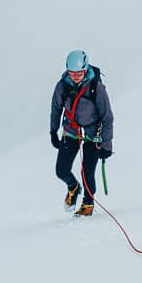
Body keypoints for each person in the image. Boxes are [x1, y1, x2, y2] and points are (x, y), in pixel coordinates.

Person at [50, 49, 114, 217]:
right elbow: (56, 109)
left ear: (85, 69)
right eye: (72, 73)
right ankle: (73, 187)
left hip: (93, 134)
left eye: (79, 73)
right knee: (61, 170)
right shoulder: (62, 86)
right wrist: (53, 131)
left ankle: (88, 202)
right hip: (71, 130)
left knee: (87, 171)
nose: (76, 77)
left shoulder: (96, 88)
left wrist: (106, 145)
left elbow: (107, 117)